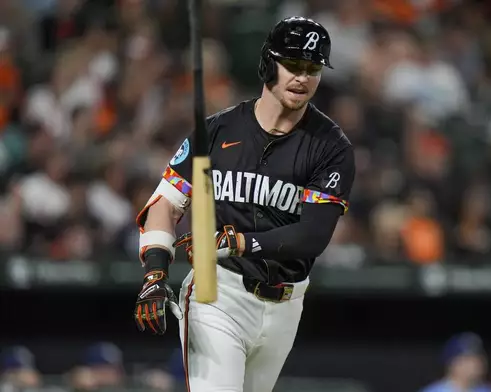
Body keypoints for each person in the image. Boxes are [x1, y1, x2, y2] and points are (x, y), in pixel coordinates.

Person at [132, 16, 355, 392]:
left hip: (287, 302)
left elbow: (313, 236)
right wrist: (155, 272)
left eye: (312, 68)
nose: (302, 77)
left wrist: (239, 241)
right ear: (269, 63)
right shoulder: (218, 130)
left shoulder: (331, 147)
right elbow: (166, 203)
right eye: (293, 65)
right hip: (218, 293)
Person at [418, 332, 491, 392]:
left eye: (479, 357)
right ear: (451, 363)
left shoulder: (489, 390)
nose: (477, 363)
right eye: (468, 358)